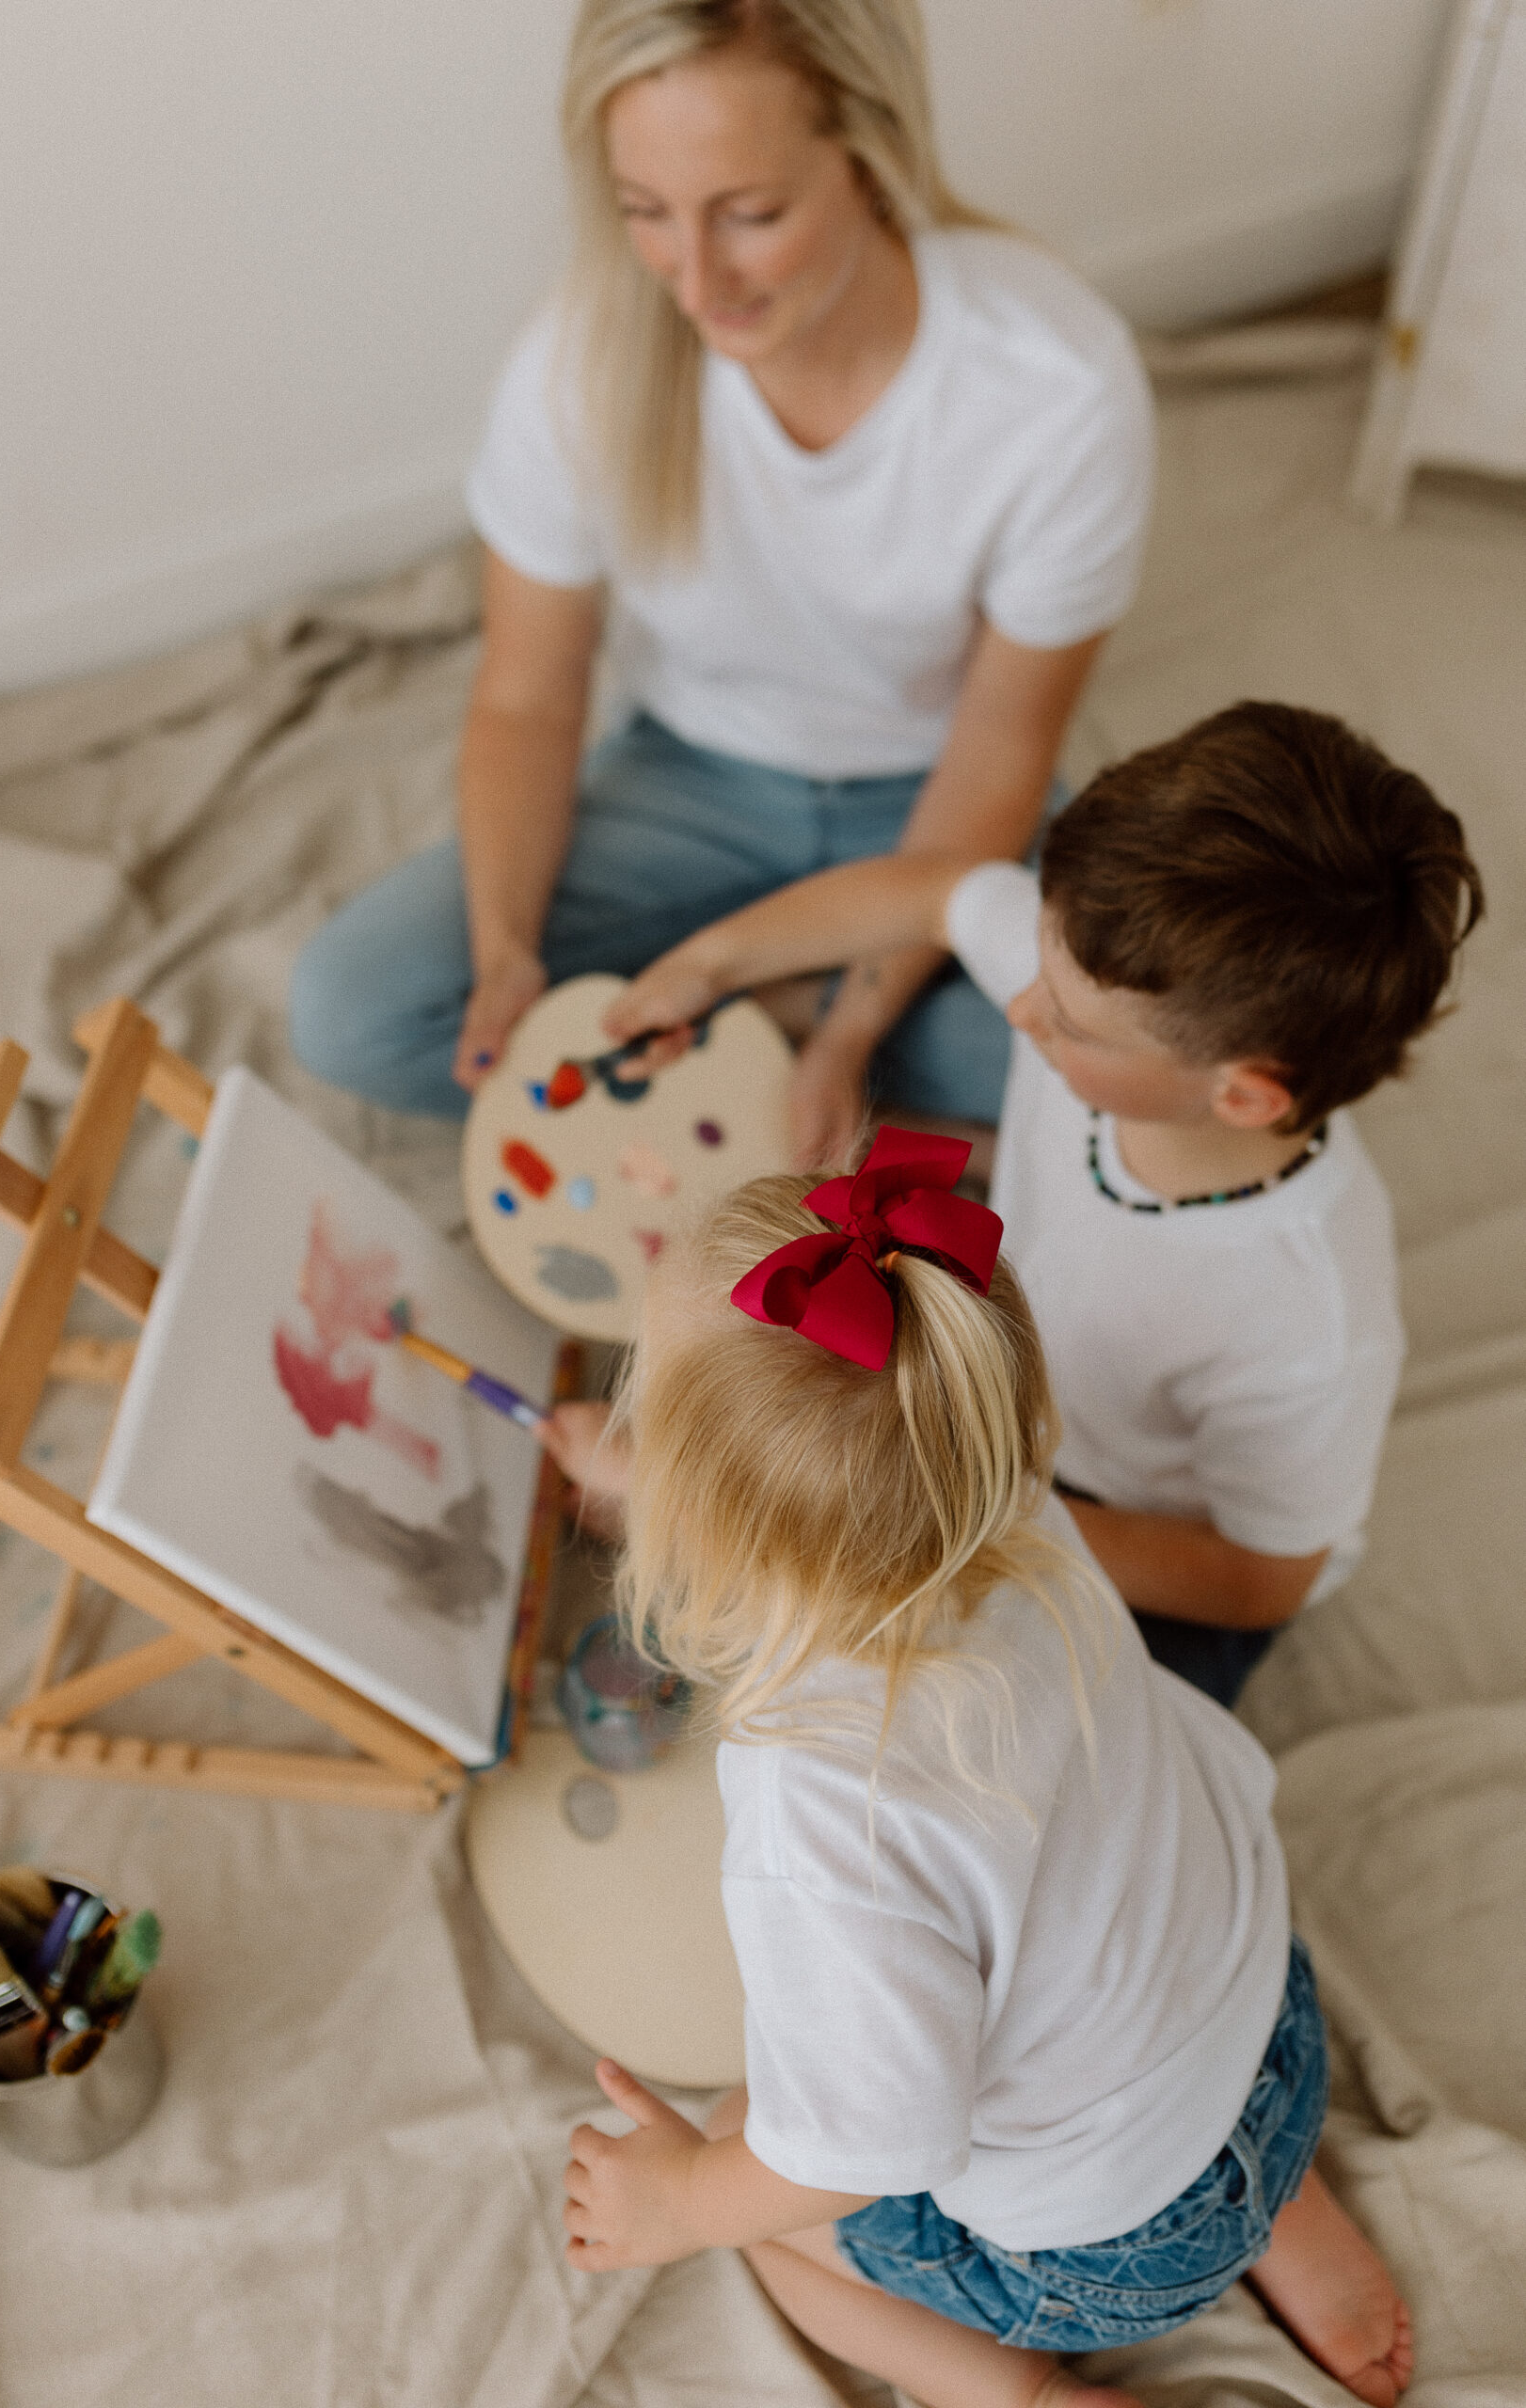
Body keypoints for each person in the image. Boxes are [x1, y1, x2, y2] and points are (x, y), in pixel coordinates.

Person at [550, 1137, 1413, 2408]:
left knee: (762, 2196)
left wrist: (678, 2202)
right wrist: (670, 1474)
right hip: (1266, 2034)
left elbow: (862, 2144)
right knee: (1100, 2014)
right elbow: (839, 1480)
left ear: (698, 1534)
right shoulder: (996, 1501)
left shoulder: (817, 1803)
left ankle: (1022, 2394)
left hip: (1114, 2244)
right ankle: (1289, 2211)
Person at [288, 0, 1154, 1168]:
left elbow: (1001, 750)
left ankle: (758, 1019)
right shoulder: (577, 364)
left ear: (870, 154)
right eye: (646, 212)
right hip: (691, 780)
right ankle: (756, 1017)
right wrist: (507, 963)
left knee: (1154, 1065)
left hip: (935, 801)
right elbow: (526, 697)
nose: (696, 282)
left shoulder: (1057, 385)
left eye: (751, 214)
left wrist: (848, 1026)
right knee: (354, 1010)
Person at [597, 702, 1486, 1704]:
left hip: (1146, 1545)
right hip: (1008, 1416)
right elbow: (941, 891)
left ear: (1244, 1093)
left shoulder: (1305, 1315)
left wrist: (963, 1515)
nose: (1021, 1009)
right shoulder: (1110, 969)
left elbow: (1261, 1577)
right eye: (1041, 968)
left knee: (949, 1711)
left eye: (1068, 1024)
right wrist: (704, 968)